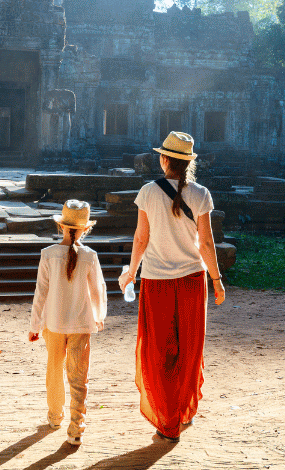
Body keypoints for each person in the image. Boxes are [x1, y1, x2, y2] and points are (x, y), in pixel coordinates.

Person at [119, 131, 226, 442]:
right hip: (193, 280)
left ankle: (168, 421)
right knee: (189, 350)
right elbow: (206, 242)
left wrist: (132, 273)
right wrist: (217, 280)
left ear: (164, 159)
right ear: (189, 163)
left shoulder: (148, 193)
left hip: (157, 282)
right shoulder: (201, 194)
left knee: (161, 351)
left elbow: (141, 239)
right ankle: (183, 410)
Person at [28, 200, 108, 447]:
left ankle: (54, 417)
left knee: (54, 370)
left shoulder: (48, 254)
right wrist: (98, 316)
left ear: (61, 226)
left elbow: (41, 292)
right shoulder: (90, 256)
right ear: (85, 229)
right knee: (78, 375)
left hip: (53, 323)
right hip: (81, 324)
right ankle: (76, 428)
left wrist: (34, 325)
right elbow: (98, 291)